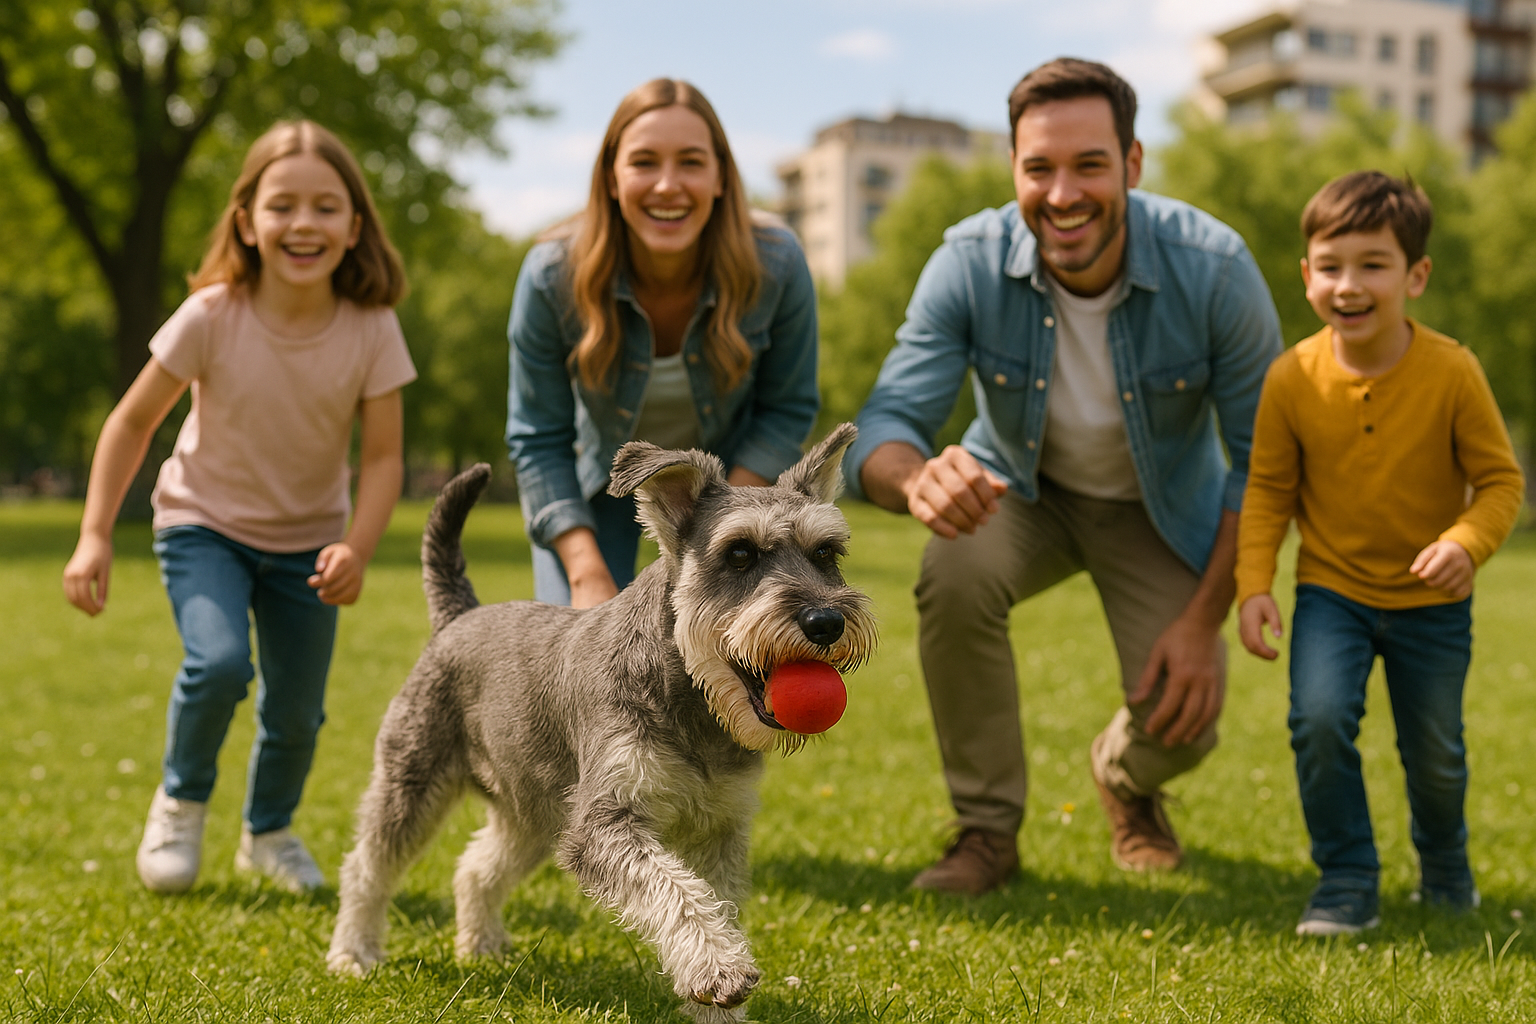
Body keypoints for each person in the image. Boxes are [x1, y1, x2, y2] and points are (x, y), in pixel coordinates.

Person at [845, 58, 1284, 894]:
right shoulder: (968, 261)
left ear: (1133, 164)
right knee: (953, 572)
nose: (1062, 193)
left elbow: (1266, 464)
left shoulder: (1214, 268)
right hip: (1018, 492)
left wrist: (1202, 623)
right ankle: (985, 834)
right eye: (1038, 168)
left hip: (1159, 512)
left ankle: (1126, 778)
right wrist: (914, 482)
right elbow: (886, 423)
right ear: (1014, 167)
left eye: (1089, 164)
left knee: (1183, 724)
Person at [61, 121, 416, 894]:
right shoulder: (212, 315)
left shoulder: (371, 329)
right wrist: (94, 534)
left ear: (355, 228)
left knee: (296, 711)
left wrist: (357, 544)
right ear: (246, 221)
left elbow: (385, 456)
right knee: (218, 663)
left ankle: (268, 833)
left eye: (326, 207)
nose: (303, 224)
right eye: (281, 205)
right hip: (204, 526)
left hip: (310, 543)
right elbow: (131, 421)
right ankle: (180, 806)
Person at [1235, 171, 1523, 936]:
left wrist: (1466, 542)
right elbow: (1267, 490)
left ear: (1415, 276)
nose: (1348, 285)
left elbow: (1500, 482)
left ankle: (1445, 864)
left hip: (1433, 604)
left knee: (1435, 752)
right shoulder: (1290, 377)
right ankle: (1347, 878)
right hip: (1333, 592)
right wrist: (1255, 584)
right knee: (1320, 721)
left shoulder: (1453, 371)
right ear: (1306, 277)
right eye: (1330, 266)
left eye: (1373, 265)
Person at [506, 78, 819, 607]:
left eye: (691, 162)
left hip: (731, 489)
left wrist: (720, 517)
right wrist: (585, 575)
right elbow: (538, 439)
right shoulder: (549, 277)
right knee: (576, 666)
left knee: (720, 667)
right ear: (611, 177)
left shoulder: (778, 264)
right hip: (598, 492)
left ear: (720, 177)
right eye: (644, 162)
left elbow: (785, 410)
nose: (668, 184)